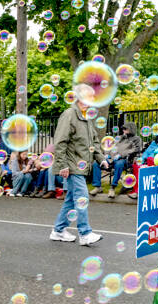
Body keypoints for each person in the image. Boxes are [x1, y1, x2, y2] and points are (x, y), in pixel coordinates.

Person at [50, 97, 105, 246]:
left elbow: (94, 143)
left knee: (71, 200)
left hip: (81, 166)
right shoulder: (70, 114)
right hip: (72, 165)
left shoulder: (86, 118)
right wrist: (62, 165)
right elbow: (60, 141)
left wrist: (102, 159)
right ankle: (85, 233)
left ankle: (58, 230)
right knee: (82, 197)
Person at [90, 122, 142, 198]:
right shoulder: (120, 138)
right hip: (112, 158)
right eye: (123, 129)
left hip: (126, 160)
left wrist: (121, 155)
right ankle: (97, 187)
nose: (124, 130)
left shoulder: (137, 139)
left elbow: (136, 149)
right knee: (96, 163)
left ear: (131, 129)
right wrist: (106, 154)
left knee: (119, 164)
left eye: (126, 128)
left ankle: (112, 188)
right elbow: (110, 146)